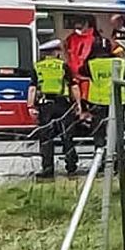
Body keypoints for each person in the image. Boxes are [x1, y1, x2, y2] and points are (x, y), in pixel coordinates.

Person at [27, 39, 79, 178]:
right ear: (56, 52)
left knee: (46, 139)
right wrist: (78, 105)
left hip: (45, 106)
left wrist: (30, 106)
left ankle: (48, 170)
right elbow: (74, 86)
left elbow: (32, 89)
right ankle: (71, 167)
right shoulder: (63, 66)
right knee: (67, 136)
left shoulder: (38, 67)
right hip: (63, 105)